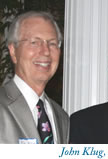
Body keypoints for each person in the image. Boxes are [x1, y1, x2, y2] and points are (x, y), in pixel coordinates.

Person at [0, 11, 69, 144]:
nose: (46, 51)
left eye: (52, 43)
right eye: (34, 42)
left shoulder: (61, 117)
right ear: (13, 51)